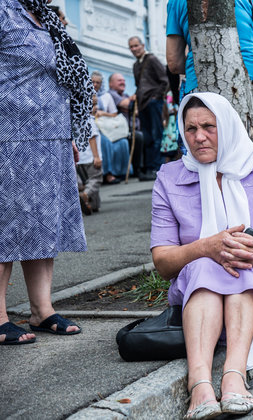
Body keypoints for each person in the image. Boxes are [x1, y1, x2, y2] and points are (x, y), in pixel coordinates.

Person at [151, 92, 253, 418]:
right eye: (190, 129)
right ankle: (200, 384)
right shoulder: (170, 177)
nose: (199, 137)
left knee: (242, 260)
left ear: (229, 126)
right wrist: (205, 247)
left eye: (209, 126)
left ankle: (234, 376)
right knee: (206, 263)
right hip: (195, 291)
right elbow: (162, 262)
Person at [1, 0, 90, 345]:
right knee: (6, 221)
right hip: (10, 134)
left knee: (42, 222)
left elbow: (61, 78)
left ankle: (42, 310)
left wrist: (68, 131)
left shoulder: (46, 14)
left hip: (50, 133)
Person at [166, 0, 253, 184]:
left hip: (201, 87)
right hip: (250, 84)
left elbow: (173, 62)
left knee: (209, 154)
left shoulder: (177, 2)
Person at [129, 36, 169, 180]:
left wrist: (156, 97)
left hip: (153, 102)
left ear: (142, 45)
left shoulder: (151, 60)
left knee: (156, 135)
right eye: (131, 47)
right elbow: (139, 85)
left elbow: (165, 80)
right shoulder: (135, 65)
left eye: (136, 46)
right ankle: (150, 168)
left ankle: (157, 168)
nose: (134, 49)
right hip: (142, 104)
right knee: (148, 137)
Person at [97, 73, 133, 184]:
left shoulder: (106, 96)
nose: (95, 84)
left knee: (123, 142)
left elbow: (114, 114)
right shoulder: (85, 95)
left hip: (106, 126)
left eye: (98, 82)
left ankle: (122, 172)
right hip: (95, 128)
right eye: (92, 82)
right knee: (105, 142)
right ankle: (108, 174)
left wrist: (102, 113)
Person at [77, 96, 104, 215]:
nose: (96, 108)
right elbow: (91, 138)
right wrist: (96, 157)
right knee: (95, 179)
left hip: (80, 159)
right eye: (93, 105)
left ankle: (94, 205)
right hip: (90, 157)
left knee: (88, 181)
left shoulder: (76, 120)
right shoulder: (88, 120)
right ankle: (86, 196)